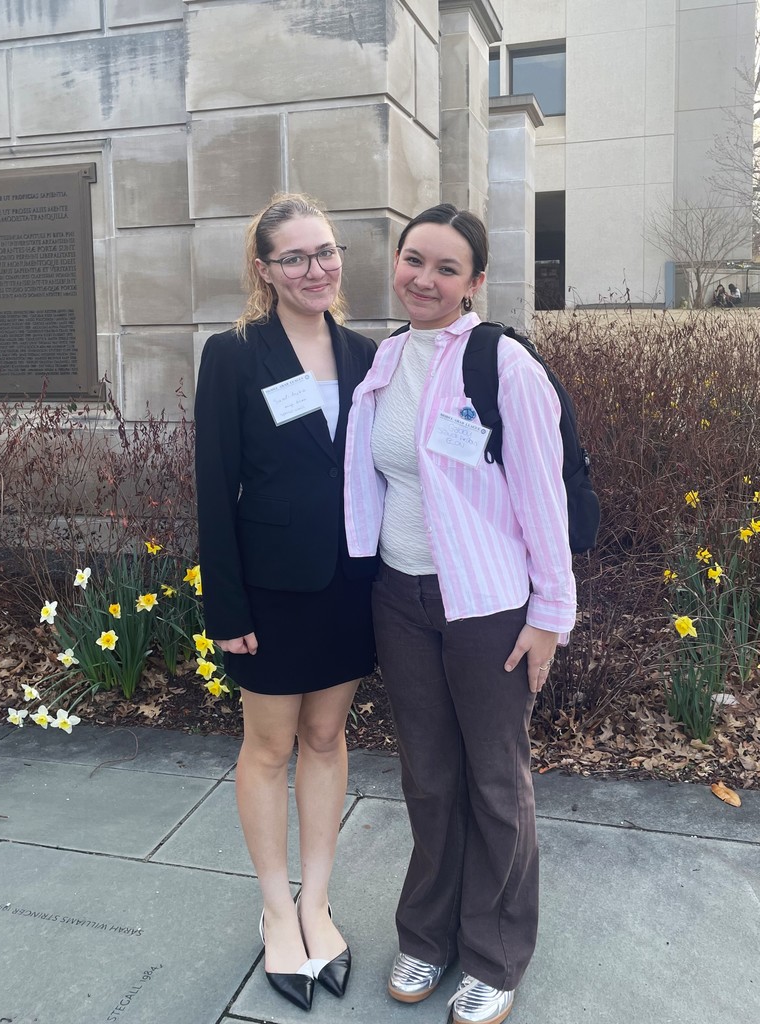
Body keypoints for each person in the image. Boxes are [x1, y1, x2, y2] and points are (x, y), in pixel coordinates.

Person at [344, 204, 576, 1024]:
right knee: (429, 775)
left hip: (485, 606)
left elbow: (543, 500)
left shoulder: (502, 363)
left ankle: (495, 954)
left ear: (476, 281)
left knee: (494, 780)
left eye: (447, 268)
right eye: (414, 261)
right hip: (398, 597)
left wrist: (549, 617)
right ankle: (427, 935)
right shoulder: (382, 362)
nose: (425, 279)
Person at [194, 193, 378, 1013]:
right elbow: (213, 489)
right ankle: (276, 908)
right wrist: (225, 611)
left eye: (326, 252)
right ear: (263, 269)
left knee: (328, 735)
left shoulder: (371, 354)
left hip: (350, 586)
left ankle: (316, 902)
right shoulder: (232, 354)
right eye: (296, 257)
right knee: (268, 750)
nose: (317, 269)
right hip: (269, 590)